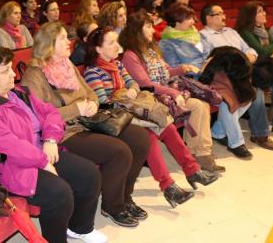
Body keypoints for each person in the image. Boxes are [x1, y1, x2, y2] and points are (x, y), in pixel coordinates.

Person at [0, 47, 106, 243]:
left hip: (37, 151)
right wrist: (43, 161)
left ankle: (79, 228)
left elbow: (51, 113)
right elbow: (5, 144)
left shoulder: (18, 92)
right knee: (59, 193)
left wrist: (50, 139)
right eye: (5, 71)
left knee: (89, 175)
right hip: (3, 167)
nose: (14, 74)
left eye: (11, 68)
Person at [21, 22, 150, 228]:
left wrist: (91, 102)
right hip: (64, 132)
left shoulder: (67, 65)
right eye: (62, 38)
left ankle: (125, 196)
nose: (68, 41)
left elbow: (90, 92)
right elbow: (37, 117)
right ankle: (113, 206)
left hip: (87, 122)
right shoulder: (35, 75)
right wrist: (77, 109)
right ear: (48, 44)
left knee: (140, 139)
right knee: (119, 152)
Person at [84, 27, 217, 208]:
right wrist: (124, 99)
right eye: (111, 42)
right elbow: (102, 103)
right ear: (98, 49)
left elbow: (133, 83)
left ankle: (192, 170)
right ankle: (168, 186)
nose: (117, 46)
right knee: (150, 136)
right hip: (114, 118)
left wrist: (131, 90)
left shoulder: (117, 64)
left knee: (167, 126)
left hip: (133, 111)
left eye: (117, 41)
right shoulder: (93, 72)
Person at [119, 10, 225, 172]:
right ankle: (199, 153)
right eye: (148, 26)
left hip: (166, 91)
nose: (153, 30)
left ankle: (200, 152)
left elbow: (167, 71)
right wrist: (173, 93)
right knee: (196, 106)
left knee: (201, 104)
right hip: (151, 98)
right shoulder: (130, 55)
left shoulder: (151, 50)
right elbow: (145, 85)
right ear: (136, 30)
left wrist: (181, 69)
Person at [199, 3, 273, 155]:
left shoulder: (231, 32)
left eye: (223, 13)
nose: (224, 16)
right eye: (219, 14)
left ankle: (219, 131)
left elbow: (248, 49)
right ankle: (258, 135)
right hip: (225, 76)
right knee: (254, 93)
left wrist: (249, 56)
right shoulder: (203, 36)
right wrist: (241, 61)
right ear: (208, 18)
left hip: (245, 71)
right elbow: (210, 60)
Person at [159, 4, 204, 70]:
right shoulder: (166, 44)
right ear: (177, 20)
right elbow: (175, 69)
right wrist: (203, 66)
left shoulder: (195, 32)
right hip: (194, 77)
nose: (193, 22)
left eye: (192, 18)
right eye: (189, 18)